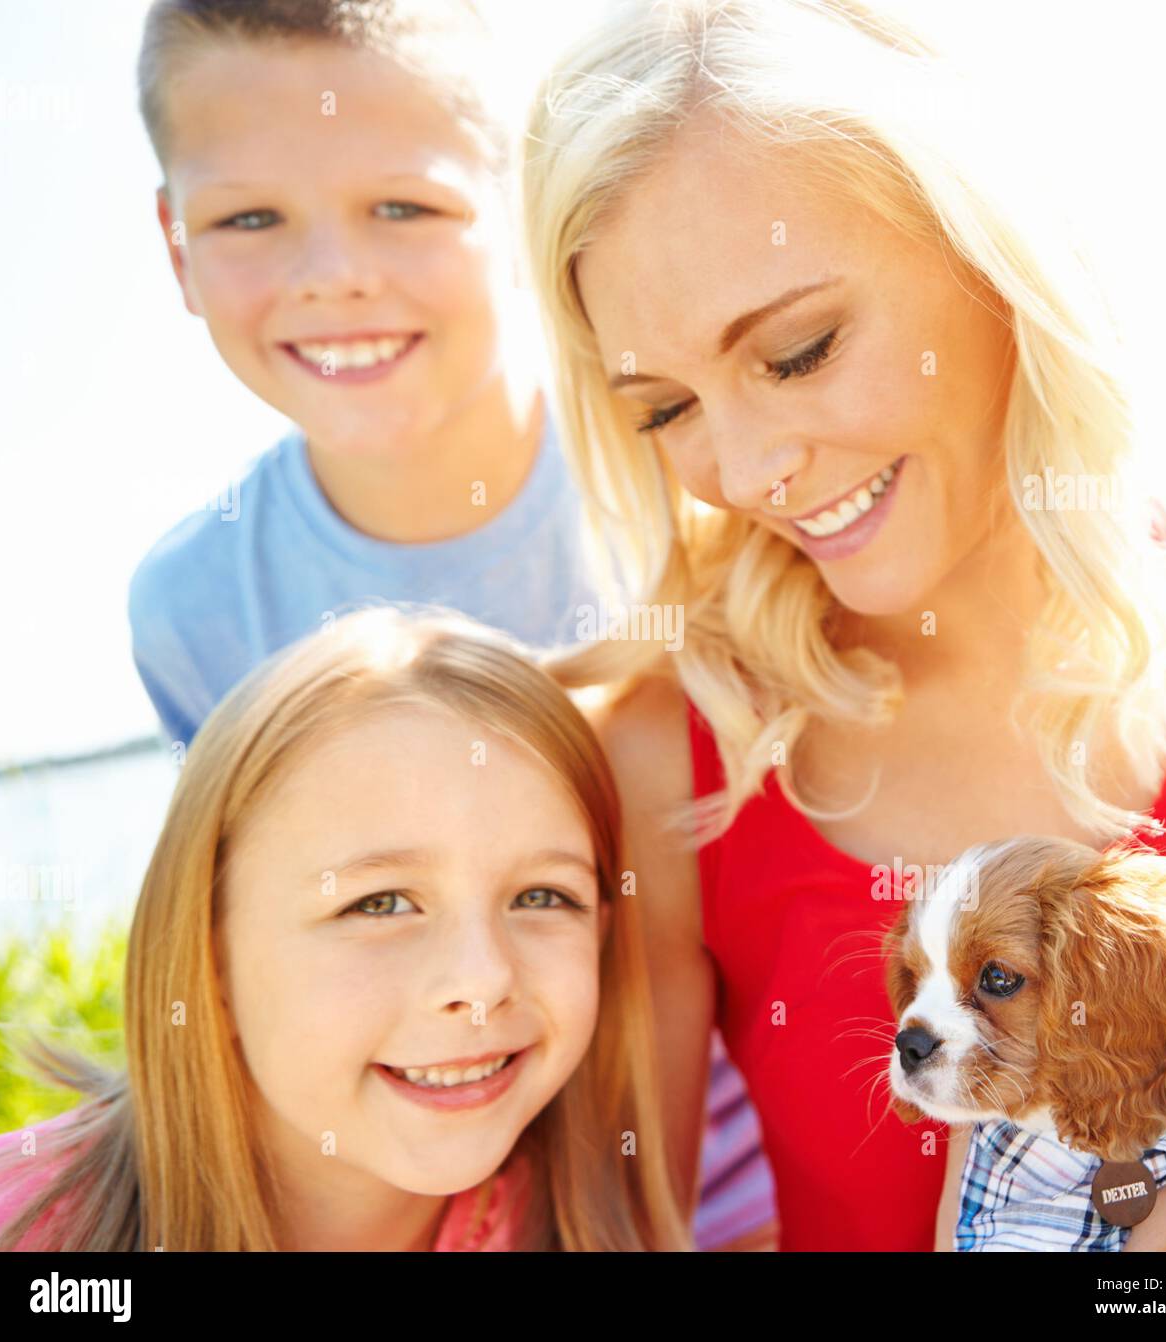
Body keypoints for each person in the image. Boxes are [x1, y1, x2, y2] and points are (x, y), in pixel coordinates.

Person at [522, 0, 1166, 1250]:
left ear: (981, 244)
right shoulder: (671, 763)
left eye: (799, 349)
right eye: (665, 409)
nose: (753, 467)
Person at [125, 0, 776, 1249]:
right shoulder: (194, 605)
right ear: (175, 244)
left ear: (522, 211)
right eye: (250, 218)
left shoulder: (697, 499)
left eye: (406, 207)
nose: (334, 275)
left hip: (739, 1212)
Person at [0, 609, 690, 1250]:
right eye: (378, 903)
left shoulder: (579, 1228)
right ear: (210, 960)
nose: (483, 980)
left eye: (541, 895)